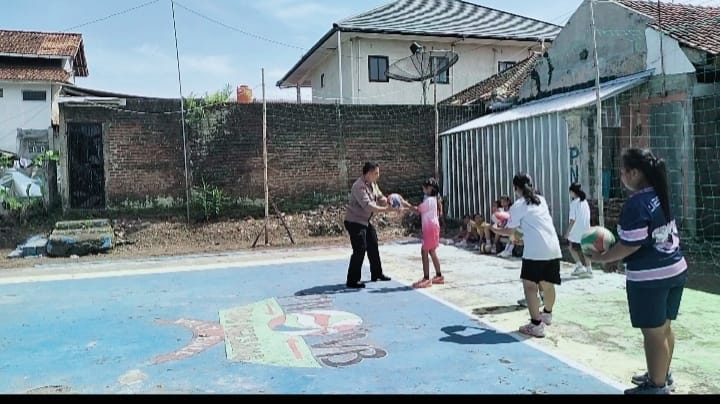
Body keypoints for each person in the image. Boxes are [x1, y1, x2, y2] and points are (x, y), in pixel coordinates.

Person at [590, 148, 687, 395]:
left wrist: (603, 257)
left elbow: (629, 245)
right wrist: (615, 257)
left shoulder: (637, 203)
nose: (621, 176)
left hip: (651, 277)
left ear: (634, 173)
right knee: (664, 328)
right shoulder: (660, 193)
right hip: (675, 269)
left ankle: (656, 386)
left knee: (653, 333)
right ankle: (661, 373)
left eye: (622, 172)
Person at [493, 174, 562, 338]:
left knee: (530, 286)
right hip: (553, 247)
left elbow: (509, 231)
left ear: (515, 188)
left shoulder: (518, 205)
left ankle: (536, 325)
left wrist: (494, 228)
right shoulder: (541, 200)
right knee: (548, 285)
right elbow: (533, 225)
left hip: (535, 252)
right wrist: (521, 237)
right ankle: (547, 314)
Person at [343, 162, 395, 289]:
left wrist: (390, 202)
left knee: (373, 244)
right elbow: (368, 206)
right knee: (360, 248)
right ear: (368, 173)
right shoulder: (358, 186)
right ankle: (352, 280)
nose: (378, 175)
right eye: (376, 173)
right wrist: (386, 210)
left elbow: (380, 197)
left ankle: (376, 273)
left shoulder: (373, 184)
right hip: (354, 221)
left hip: (365, 221)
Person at [406, 178, 443, 288]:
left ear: (430, 188)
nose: (423, 189)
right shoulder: (433, 199)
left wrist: (405, 205)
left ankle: (426, 279)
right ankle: (439, 276)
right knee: (431, 251)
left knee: (424, 251)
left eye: (425, 187)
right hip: (433, 228)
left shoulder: (430, 200)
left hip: (430, 228)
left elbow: (418, 210)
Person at [564, 183, 593, 278]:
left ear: (573, 192)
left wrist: (567, 232)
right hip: (586, 228)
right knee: (585, 249)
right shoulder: (585, 202)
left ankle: (579, 265)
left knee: (571, 247)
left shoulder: (574, 204)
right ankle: (589, 269)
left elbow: (572, 220)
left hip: (576, 229)